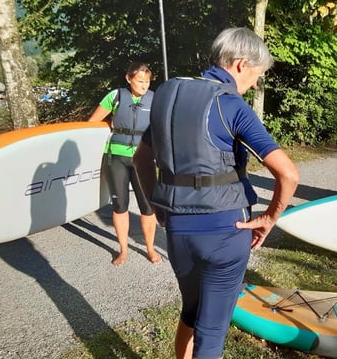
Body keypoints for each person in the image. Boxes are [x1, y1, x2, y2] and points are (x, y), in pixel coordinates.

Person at [133, 28, 299, 359]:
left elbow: (140, 158)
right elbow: (288, 174)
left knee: (191, 312)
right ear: (241, 64)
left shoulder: (169, 96)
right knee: (211, 334)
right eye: (257, 75)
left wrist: (157, 205)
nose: (255, 83)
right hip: (226, 231)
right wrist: (269, 218)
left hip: (178, 231)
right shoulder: (231, 105)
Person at [88, 62, 161, 266]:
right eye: (139, 81)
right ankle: (123, 250)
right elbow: (92, 123)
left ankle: (150, 249)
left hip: (143, 158)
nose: (144, 85)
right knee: (120, 206)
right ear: (128, 79)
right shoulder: (116, 96)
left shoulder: (155, 100)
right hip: (116, 158)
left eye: (147, 82)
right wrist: (110, 124)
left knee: (148, 207)